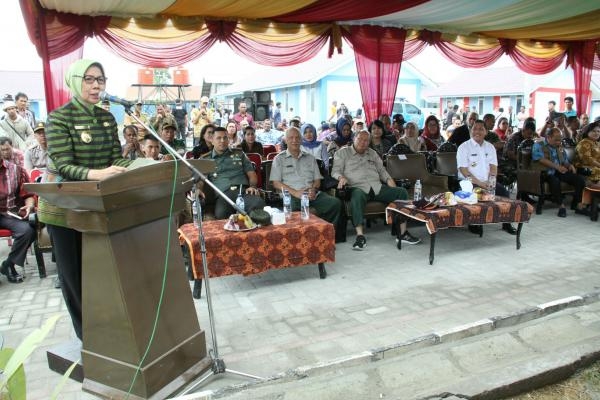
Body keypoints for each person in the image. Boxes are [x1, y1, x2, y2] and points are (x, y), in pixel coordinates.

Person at [40, 59, 132, 340]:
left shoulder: (106, 118)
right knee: (74, 277)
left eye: (100, 79)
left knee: (101, 269)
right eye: (89, 79)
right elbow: (64, 165)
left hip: (96, 204)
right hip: (63, 207)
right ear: (74, 80)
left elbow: (114, 157)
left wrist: (136, 166)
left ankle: (106, 327)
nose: (96, 85)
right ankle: (87, 337)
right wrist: (97, 173)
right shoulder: (58, 118)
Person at [331, 130, 421, 250]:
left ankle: (403, 233)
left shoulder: (372, 153)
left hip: (376, 187)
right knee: (357, 195)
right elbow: (335, 171)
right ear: (354, 139)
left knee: (401, 192)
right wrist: (341, 177)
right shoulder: (343, 153)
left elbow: (382, 171)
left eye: (366, 140)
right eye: (360, 139)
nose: (363, 143)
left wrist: (390, 181)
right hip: (357, 187)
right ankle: (360, 236)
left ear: (369, 142)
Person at [270, 127, 345, 242]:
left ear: (301, 140)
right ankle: (299, 241)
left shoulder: (310, 158)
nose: (294, 140)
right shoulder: (279, 159)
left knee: (335, 204)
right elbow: (276, 183)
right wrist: (296, 193)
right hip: (292, 195)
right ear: (285, 140)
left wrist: (313, 189)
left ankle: (325, 237)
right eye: (291, 138)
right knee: (293, 214)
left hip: (311, 193)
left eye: (297, 138)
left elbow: (317, 180)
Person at [456, 119, 517, 235]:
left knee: (505, 194)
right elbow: (463, 170)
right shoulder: (463, 147)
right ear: (471, 130)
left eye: (481, 129)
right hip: (469, 182)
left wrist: (491, 181)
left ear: (486, 132)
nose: (477, 131)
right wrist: (480, 184)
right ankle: (474, 223)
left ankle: (506, 223)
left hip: (487, 182)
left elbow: (493, 167)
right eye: (475, 129)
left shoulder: (490, 147)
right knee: (476, 195)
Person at [201, 127, 265, 219]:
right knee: (221, 214)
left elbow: (252, 174)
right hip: (223, 195)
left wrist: (253, 186)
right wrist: (198, 188)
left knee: (258, 204)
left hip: (243, 191)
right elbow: (200, 179)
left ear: (228, 139)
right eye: (218, 138)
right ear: (212, 140)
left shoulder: (239, 154)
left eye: (225, 138)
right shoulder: (206, 159)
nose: (222, 141)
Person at [531, 127, 587, 217]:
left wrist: (569, 165)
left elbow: (564, 160)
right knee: (554, 180)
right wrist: (557, 167)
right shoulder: (538, 145)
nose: (558, 142)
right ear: (548, 137)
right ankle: (561, 206)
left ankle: (576, 204)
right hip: (544, 172)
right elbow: (540, 159)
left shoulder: (559, 146)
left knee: (579, 179)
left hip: (558, 171)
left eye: (560, 140)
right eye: (556, 140)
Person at [0, 155, 36, 283]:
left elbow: (29, 194)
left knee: (28, 230)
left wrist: (30, 205)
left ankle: (8, 264)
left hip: (8, 213)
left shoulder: (16, 170)